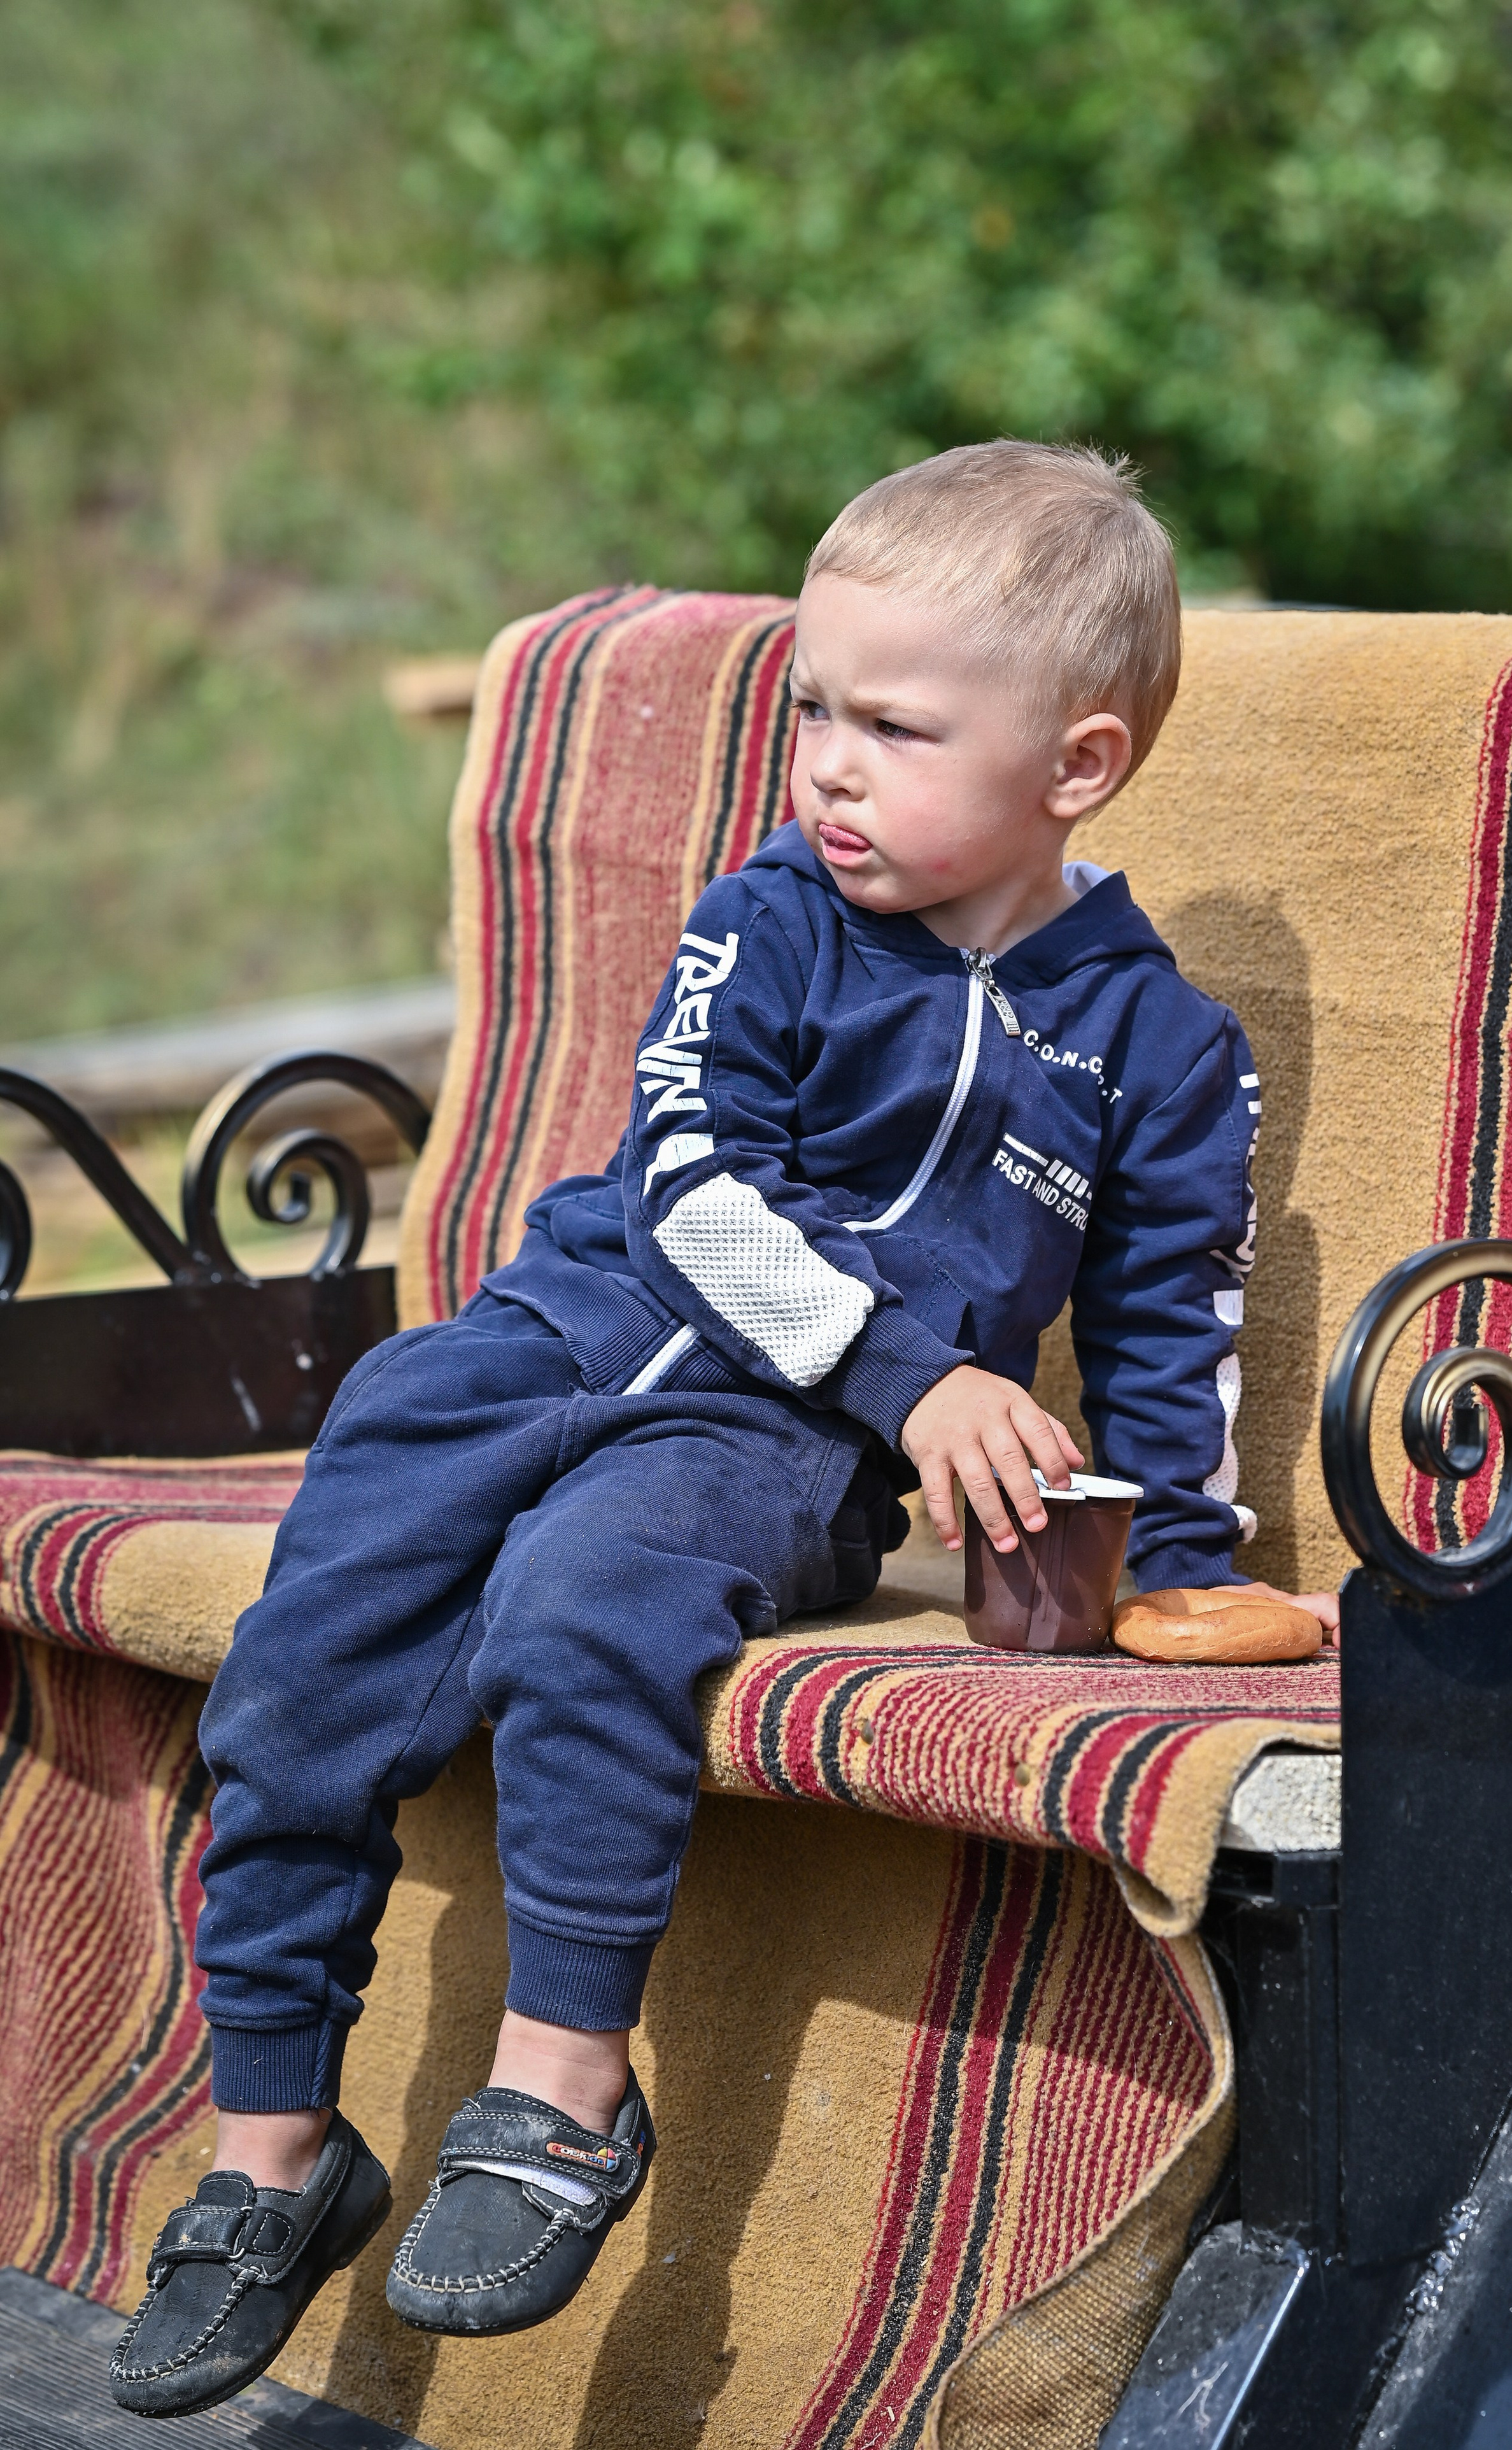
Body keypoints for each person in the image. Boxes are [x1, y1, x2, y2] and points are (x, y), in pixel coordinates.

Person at [110, 440, 1337, 2419]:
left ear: (1077, 767)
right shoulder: (769, 915)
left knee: (597, 1608)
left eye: (894, 726)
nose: (827, 765)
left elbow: (1164, 1316)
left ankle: (562, 2095)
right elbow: (686, 1186)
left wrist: (1182, 1565)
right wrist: (919, 1372)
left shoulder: (1156, 1047)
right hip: (555, 1338)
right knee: (307, 1670)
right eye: (814, 711)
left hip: (770, 1448)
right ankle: (272, 2154)